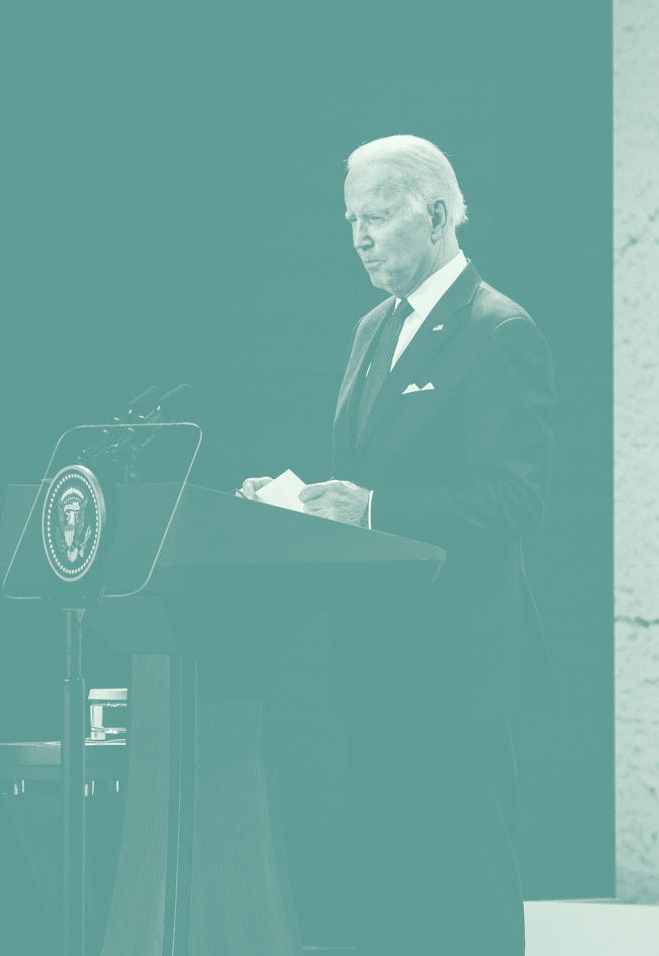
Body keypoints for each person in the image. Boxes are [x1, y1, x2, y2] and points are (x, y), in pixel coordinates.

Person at [240, 134, 555, 956]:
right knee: (393, 891)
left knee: (465, 886)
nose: (360, 237)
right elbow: (365, 482)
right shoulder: (372, 329)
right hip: (374, 655)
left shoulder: (499, 329)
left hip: (457, 663)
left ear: (439, 215)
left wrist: (374, 508)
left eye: (377, 216)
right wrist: (297, 506)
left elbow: (514, 499)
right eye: (351, 219)